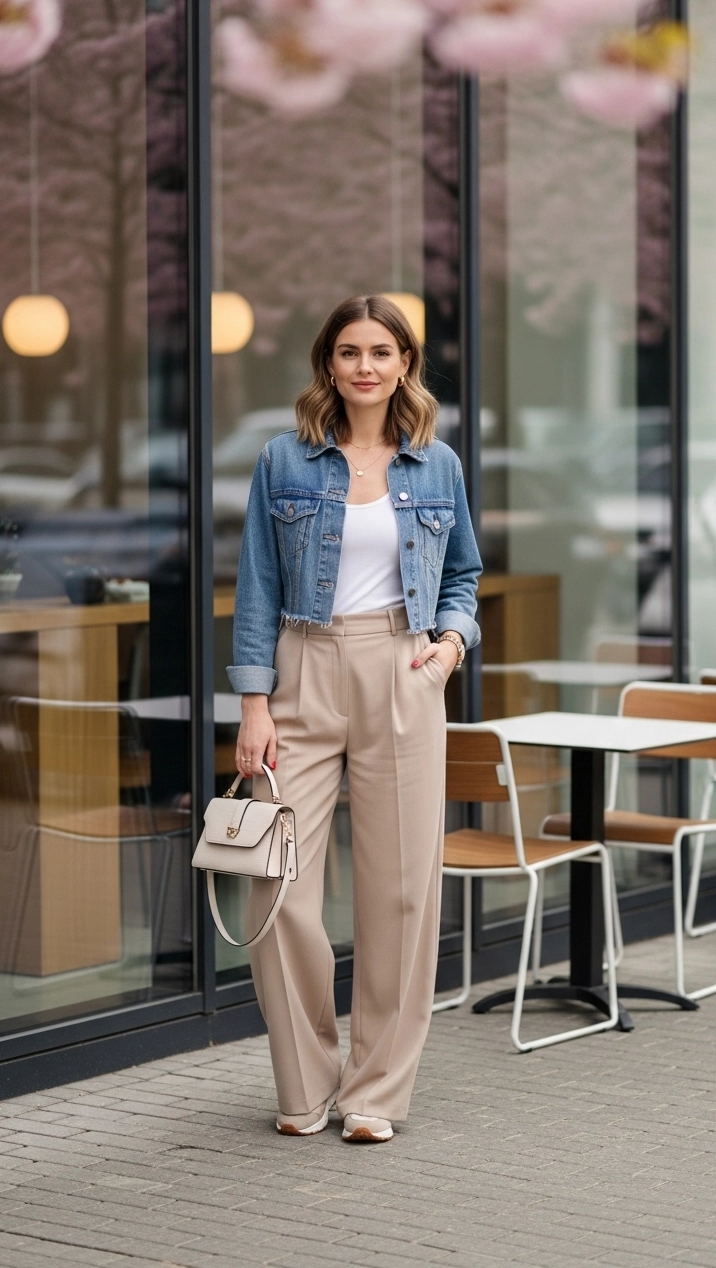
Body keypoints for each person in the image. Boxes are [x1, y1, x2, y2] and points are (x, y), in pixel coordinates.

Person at [227, 294, 481, 1143]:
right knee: (279, 885)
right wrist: (253, 702)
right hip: (303, 665)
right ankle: (305, 1082)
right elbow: (258, 584)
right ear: (327, 365)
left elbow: (464, 576)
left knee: (402, 894)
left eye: (381, 351)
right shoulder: (283, 460)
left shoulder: (435, 466)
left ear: (404, 363)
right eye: (348, 352)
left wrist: (449, 649)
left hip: (403, 667)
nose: (365, 366)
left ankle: (374, 1094)